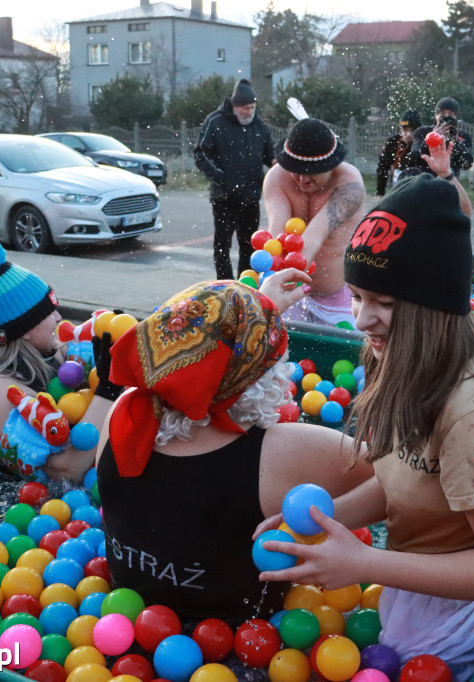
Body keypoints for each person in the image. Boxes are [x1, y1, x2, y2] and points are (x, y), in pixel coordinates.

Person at [257, 174, 474, 682]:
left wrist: (365, 563)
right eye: (358, 296)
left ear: (435, 306)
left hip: (461, 617)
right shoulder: (401, 359)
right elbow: (402, 480)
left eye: (383, 303)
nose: (362, 320)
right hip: (414, 581)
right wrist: (320, 525)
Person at [94, 270, 375, 623]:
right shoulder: (287, 450)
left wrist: (257, 303)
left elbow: (207, 337)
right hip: (249, 649)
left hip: (124, 624)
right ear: (265, 372)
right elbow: (403, 479)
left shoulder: (123, 412)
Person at [0, 237, 116, 482]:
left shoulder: (52, 350)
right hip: (29, 504)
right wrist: (109, 390)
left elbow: (89, 357)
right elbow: (66, 470)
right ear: (24, 329)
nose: (58, 317)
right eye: (48, 312)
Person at [262, 118, 365, 326]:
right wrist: (265, 297)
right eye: (295, 169)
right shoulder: (277, 177)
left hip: (340, 301)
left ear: (332, 166)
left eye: (311, 172)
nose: (302, 180)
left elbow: (311, 241)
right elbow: (278, 245)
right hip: (289, 296)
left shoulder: (350, 185)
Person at [193, 78, 275, 280]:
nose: (249, 112)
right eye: (245, 107)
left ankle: (246, 285)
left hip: (250, 197)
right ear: (235, 106)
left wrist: (279, 164)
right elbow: (201, 153)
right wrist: (222, 179)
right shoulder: (216, 121)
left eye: (252, 107)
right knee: (223, 246)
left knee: (249, 245)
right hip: (224, 198)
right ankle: (225, 285)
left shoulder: (259, 126)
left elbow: (270, 156)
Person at [405, 97, 474, 179]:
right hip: (425, 179)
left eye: (450, 115)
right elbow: (414, 157)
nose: (446, 117)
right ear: (436, 116)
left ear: (456, 118)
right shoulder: (423, 132)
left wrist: (457, 142)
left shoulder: (463, 137)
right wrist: (432, 137)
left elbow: (467, 164)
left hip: (449, 182)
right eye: (442, 114)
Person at [375, 109, 421, 196]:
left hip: (417, 188)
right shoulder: (393, 142)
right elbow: (382, 169)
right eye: (405, 130)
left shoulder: (421, 144)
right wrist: (380, 193)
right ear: (400, 129)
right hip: (396, 187)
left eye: (412, 130)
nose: (408, 134)